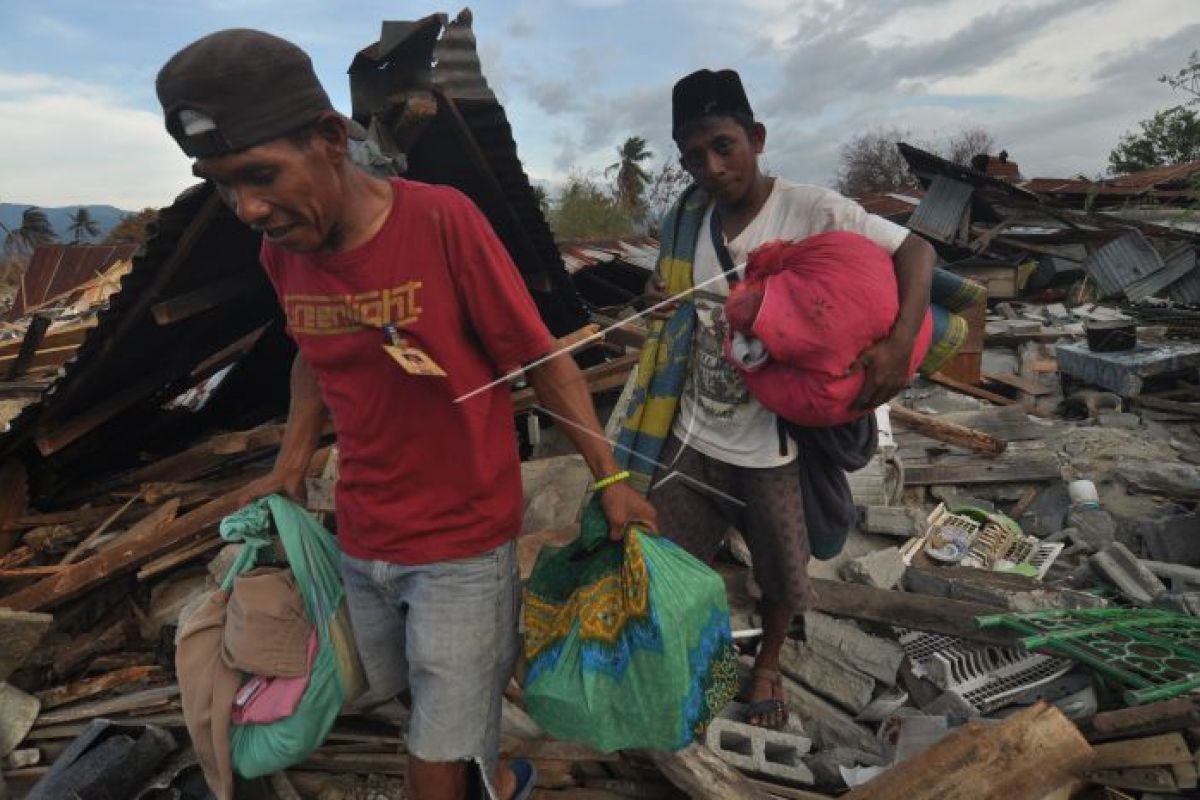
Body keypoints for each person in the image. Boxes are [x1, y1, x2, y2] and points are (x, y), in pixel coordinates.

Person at [155, 29, 658, 800]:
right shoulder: (282, 249)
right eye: (220, 184)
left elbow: (542, 358)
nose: (246, 207)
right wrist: (291, 464)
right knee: (411, 698)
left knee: (436, 755)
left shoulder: (441, 223)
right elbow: (311, 353)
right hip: (362, 535)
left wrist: (611, 476)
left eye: (258, 175)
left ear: (330, 139)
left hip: (461, 542)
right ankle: (498, 774)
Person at [642, 69, 935, 729]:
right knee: (667, 559)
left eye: (725, 146)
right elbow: (669, 301)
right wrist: (653, 303)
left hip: (772, 443)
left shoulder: (812, 210)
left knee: (780, 568)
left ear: (757, 137)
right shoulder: (686, 222)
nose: (711, 168)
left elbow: (917, 249)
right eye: (693, 157)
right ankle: (692, 656)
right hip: (692, 431)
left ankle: (767, 664)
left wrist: (898, 343)